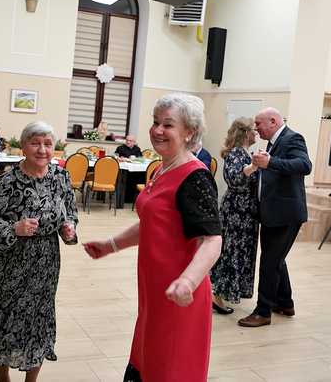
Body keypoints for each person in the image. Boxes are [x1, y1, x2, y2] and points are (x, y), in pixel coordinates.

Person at [84, 93, 222, 382]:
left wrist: (188, 281)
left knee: (170, 367)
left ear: (189, 132)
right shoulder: (162, 168)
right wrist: (110, 245)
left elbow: (212, 241)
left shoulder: (195, 177)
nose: (158, 130)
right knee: (148, 360)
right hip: (154, 291)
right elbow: (153, 223)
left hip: (179, 294)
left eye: (168, 125)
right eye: (156, 122)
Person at [0, 121, 78, 382]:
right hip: (9, 266)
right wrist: (13, 228)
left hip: (45, 264)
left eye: (48, 144)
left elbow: (71, 211)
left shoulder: (61, 177)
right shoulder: (7, 181)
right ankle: (3, 378)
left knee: (38, 322)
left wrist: (69, 227)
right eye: (35, 143)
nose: (42, 149)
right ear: (23, 147)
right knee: (2, 320)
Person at [238, 107, 311, 328]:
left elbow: (304, 165)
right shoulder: (273, 143)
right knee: (276, 259)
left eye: (258, 124)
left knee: (270, 262)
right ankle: (285, 303)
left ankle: (263, 312)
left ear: (272, 121)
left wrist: (270, 163)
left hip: (285, 214)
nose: (256, 128)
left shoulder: (293, 138)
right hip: (272, 213)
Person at [210, 117, 259, 315]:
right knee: (231, 252)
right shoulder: (235, 153)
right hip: (236, 212)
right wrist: (254, 166)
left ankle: (222, 293)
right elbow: (235, 179)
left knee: (237, 252)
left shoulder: (245, 153)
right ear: (245, 133)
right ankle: (217, 297)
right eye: (253, 131)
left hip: (245, 212)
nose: (256, 133)